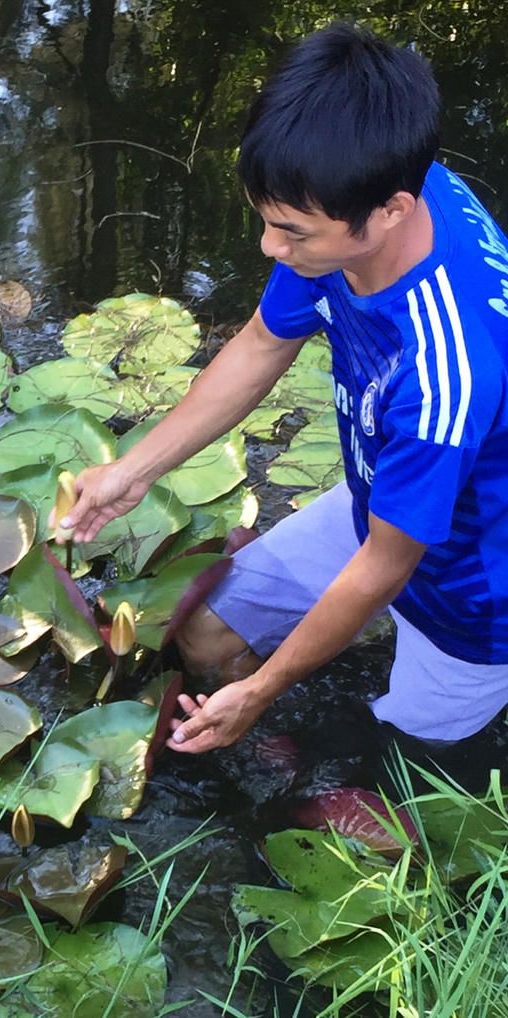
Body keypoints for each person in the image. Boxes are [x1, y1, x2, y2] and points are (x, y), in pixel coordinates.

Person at [58, 21, 508, 755]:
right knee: (207, 634)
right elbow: (265, 342)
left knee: (398, 761)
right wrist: (131, 472)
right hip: (382, 499)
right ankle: (269, 748)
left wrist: (262, 691)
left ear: (391, 210)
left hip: (475, 585)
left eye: (291, 232)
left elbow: (387, 566)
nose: (271, 247)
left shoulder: (446, 373)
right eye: (268, 222)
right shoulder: (351, 194)